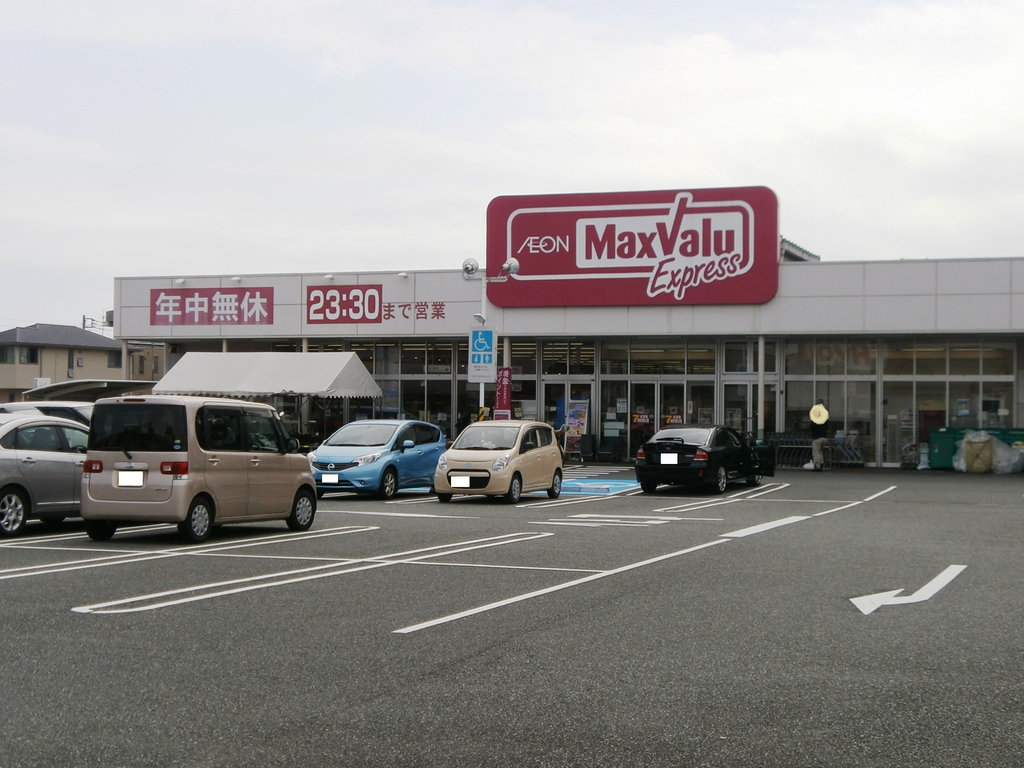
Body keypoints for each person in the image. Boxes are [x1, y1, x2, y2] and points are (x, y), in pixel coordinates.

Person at [809, 399, 830, 471]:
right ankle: (821, 463)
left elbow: (811, 427)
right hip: (824, 437)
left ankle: (817, 466)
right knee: (820, 451)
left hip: (817, 438)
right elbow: (827, 427)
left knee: (816, 452)